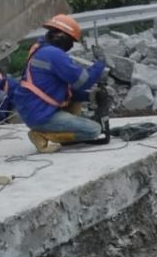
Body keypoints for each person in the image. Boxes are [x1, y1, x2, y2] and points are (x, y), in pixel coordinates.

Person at [14, 14, 108, 153]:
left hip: (35, 108)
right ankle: (42, 135)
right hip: (41, 114)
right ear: (61, 36)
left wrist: (88, 97)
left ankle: (59, 126)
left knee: (76, 104)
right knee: (94, 130)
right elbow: (84, 81)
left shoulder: (41, 49)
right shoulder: (53, 54)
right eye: (71, 40)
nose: (71, 45)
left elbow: (64, 90)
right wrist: (100, 63)